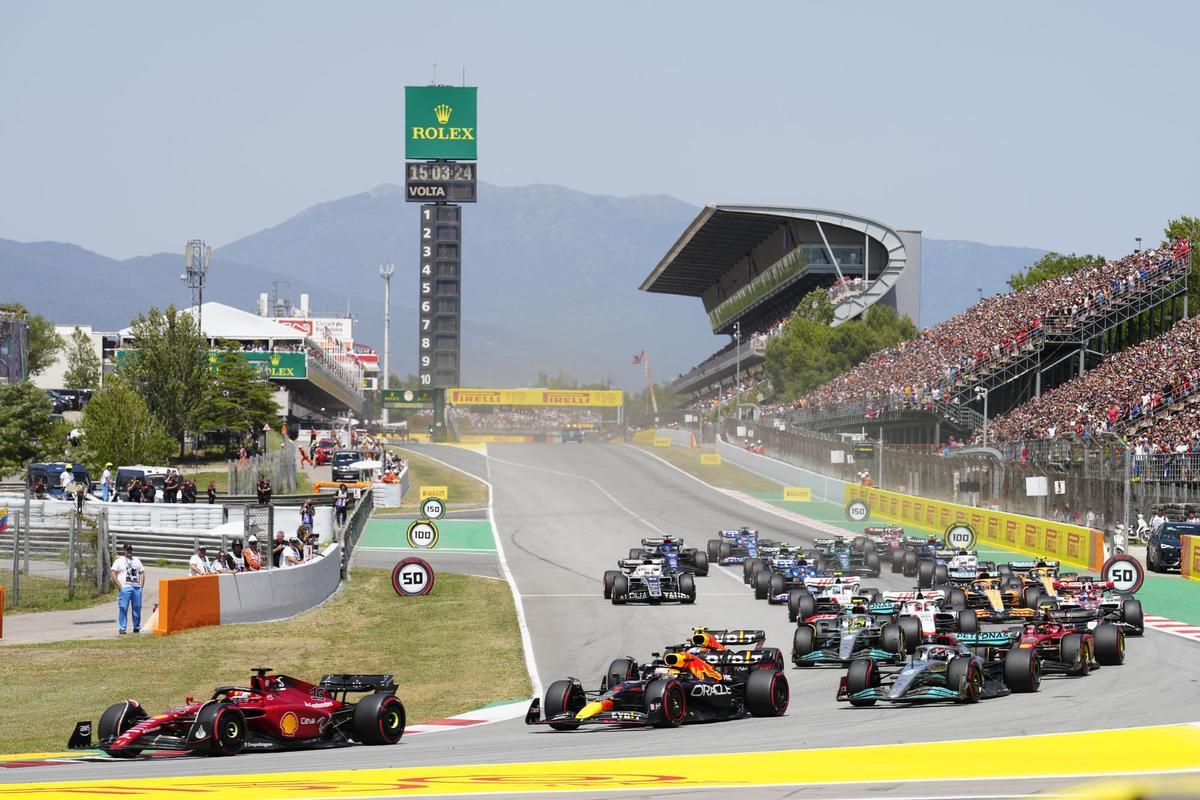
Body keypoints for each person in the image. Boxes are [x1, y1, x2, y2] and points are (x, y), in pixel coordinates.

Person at [110, 543, 144, 635]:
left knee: (137, 607)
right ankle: (122, 627)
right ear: (124, 550)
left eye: (130, 549)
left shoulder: (136, 560)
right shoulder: (119, 561)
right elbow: (113, 573)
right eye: (127, 549)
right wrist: (120, 586)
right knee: (123, 607)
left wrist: (141, 586)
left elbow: (142, 572)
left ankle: (136, 627)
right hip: (125, 587)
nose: (129, 551)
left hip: (136, 587)